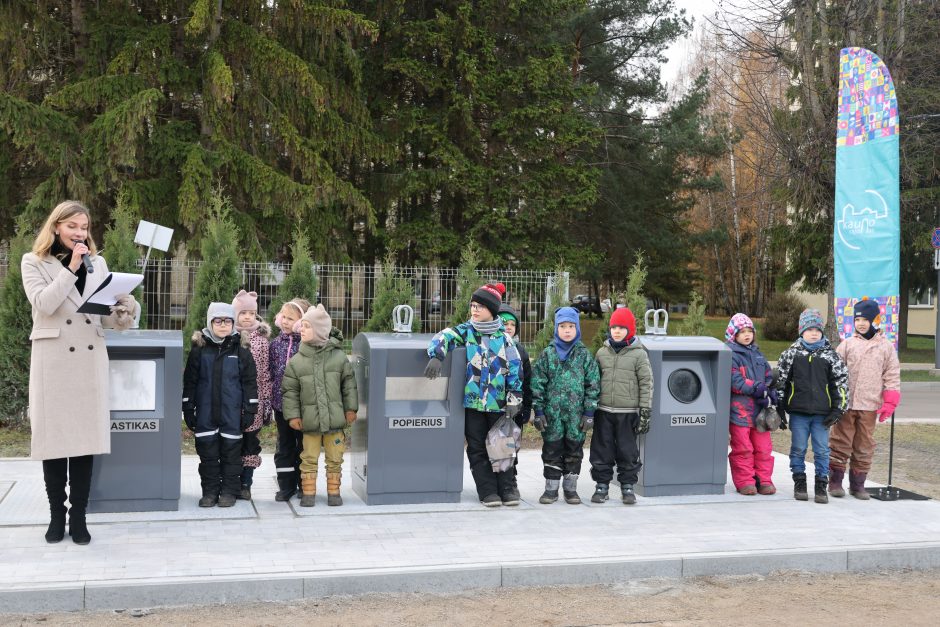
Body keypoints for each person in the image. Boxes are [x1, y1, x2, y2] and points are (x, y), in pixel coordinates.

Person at [21, 200, 138, 545]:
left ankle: (79, 517)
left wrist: (123, 309)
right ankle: (56, 515)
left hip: (88, 359)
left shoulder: (97, 263)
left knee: (85, 442)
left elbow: (106, 319)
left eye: (84, 227)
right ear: (56, 227)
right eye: (72, 226)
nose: (79, 233)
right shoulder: (34, 262)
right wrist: (71, 269)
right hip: (53, 361)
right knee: (55, 442)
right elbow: (44, 304)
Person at [424, 283, 524, 507]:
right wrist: (436, 356)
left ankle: (507, 489)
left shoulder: (504, 338)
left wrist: (514, 398)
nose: (475, 310)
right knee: (477, 446)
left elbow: (515, 368)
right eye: (472, 305)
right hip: (474, 404)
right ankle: (488, 491)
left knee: (503, 445)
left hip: (499, 404)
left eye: (480, 306)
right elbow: (444, 336)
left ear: (492, 310)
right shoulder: (466, 331)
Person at [183, 302, 259, 508]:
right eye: (218, 320)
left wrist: (250, 409)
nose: (223, 325)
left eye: (228, 321)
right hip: (206, 414)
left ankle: (228, 491)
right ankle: (210, 491)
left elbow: (250, 382)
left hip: (231, 415)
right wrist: (188, 408)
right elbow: (190, 381)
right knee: (208, 456)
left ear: (233, 323)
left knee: (231, 456)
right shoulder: (199, 350)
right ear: (210, 322)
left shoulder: (241, 349)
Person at [281, 305, 358, 507]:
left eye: (306, 326)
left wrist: (351, 408)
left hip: (335, 420)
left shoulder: (339, 357)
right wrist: (293, 416)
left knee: (335, 457)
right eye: (302, 326)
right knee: (308, 457)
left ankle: (334, 492)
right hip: (310, 423)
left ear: (320, 331)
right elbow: (290, 391)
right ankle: (308, 493)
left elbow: (349, 384)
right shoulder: (296, 362)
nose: (301, 330)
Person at [775, 308, 849, 504]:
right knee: (798, 448)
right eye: (809, 329)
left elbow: (841, 383)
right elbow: (781, 382)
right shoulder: (790, 354)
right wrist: (779, 407)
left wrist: (838, 409)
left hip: (822, 415)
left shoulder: (830, 356)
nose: (814, 332)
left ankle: (820, 485)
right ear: (801, 331)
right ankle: (799, 482)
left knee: (822, 450)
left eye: (817, 329)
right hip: (799, 413)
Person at [530, 306, 601, 505]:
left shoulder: (584, 355)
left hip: (576, 416)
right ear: (556, 328)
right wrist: (539, 410)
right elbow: (537, 383)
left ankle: (570, 489)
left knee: (574, 451)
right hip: (552, 416)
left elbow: (593, 384)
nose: (567, 330)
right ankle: (551, 489)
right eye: (563, 326)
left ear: (577, 328)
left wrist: (589, 412)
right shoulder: (548, 354)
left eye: (571, 326)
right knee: (552, 449)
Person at [831, 299, 901, 499]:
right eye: (857, 319)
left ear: (874, 320)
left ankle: (858, 485)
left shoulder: (885, 347)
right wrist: (834, 396)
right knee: (840, 441)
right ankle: (835, 482)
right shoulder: (847, 345)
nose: (860, 323)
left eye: (865, 319)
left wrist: (890, 400)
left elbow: (892, 375)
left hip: (870, 405)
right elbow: (835, 371)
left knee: (864, 444)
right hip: (847, 404)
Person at [590, 307, 652, 505]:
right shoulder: (601, 353)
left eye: (621, 328)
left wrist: (645, 410)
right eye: (614, 327)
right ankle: (602, 485)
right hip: (604, 411)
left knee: (628, 451)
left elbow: (646, 382)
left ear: (630, 330)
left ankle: (627, 486)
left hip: (628, 413)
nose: (616, 331)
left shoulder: (639, 355)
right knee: (602, 449)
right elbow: (592, 381)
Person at [725, 313, 776, 496]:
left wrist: (770, 391)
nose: (747, 335)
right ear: (733, 334)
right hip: (740, 412)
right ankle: (745, 481)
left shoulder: (758, 355)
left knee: (763, 449)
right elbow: (735, 380)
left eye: (750, 331)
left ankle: (764, 480)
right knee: (743, 448)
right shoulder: (731, 355)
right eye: (742, 332)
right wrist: (756, 387)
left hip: (760, 412)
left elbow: (768, 376)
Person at [231, 290, 273, 500]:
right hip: (231, 403)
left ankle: (246, 483)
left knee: (250, 443)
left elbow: (265, 374)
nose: (248, 317)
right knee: (232, 443)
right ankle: (232, 481)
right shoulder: (228, 337)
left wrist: (265, 403)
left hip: (253, 403)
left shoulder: (262, 341)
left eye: (252, 313)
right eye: (243, 312)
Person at [268, 298, 311, 501]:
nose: (284, 321)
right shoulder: (275, 344)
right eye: (282, 316)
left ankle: (304, 486)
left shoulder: (308, 346)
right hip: (281, 405)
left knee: (303, 446)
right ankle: (286, 486)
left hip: (303, 407)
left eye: (290, 318)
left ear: (301, 322)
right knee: (284, 446)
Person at [497, 303, 532, 428]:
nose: (509, 327)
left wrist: (527, 408)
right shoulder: (491, 349)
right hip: (494, 407)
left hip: (516, 408)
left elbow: (527, 382)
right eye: (505, 324)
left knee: (510, 443)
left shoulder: (520, 351)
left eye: (513, 324)